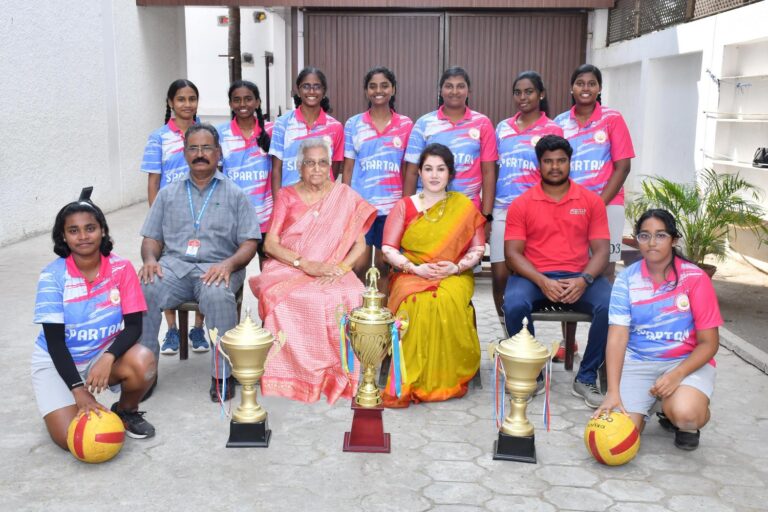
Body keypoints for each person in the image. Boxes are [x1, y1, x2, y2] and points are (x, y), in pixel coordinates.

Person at [139, 124, 261, 401]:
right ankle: (143, 371)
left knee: (218, 295)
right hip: (175, 267)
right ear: (184, 153)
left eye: (207, 148)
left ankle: (223, 376)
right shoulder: (168, 193)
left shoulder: (235, 194)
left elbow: (250, 243)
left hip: (219, 266)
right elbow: (152, 238)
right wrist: (149, 259)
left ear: (218, 153)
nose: (200, 154)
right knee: (146, 287)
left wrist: (229, 265)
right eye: (193, 148)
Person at [250, 137, 376, 404]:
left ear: (330, 165)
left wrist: (341, 269)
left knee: (353, 294)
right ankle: (294, 375)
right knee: (291, 299)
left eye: (322, 163)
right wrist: (305, 264)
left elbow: (360, 245)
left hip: (333, 267)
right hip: (290, 267)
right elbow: (270, 244)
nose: (316, 169)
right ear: (299, 167)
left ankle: (340, 374)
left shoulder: (343, 196)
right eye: (310, 163)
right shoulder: (286, 195)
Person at [32, 191, 157, 448]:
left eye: (90, 228)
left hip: (101, 354)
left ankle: (125, 411)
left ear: (102, 230)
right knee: (73, 441)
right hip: (57, 362)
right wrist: (78, 389)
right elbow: (55, 344)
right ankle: (65, 401)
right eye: (74, 230)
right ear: (63, 236)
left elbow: (134, 327)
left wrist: (108, 357)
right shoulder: (52, 277)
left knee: (144, 361)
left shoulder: (121, 268)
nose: (83, 236)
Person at [594, 209, 722, 451]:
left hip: (684, 363)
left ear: (674, 240)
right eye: (644, 236)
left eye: (660, 235)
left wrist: (676, 375)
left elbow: (709, 343)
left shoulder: (695, 278)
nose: (652, 243)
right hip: (639, 362)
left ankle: (678, 413)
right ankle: (652, 401)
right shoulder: (626, 280)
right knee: (619, 437)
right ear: (637, 239)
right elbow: (618, 336)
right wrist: (612, 392)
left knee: (686, 414)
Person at [503, 134, 611, 408]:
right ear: (538, 165)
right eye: (548, 161)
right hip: (534, 276)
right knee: (514, 303)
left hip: (579, 275)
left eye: (561, 161)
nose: (555, 167)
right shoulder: (522, 203)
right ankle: (531, 373)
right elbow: (513, 254)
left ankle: (585, 377)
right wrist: (541, 280)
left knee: (612, 305)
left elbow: (601, 251)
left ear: (569, 162)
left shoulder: (591, 201)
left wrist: (585, 279)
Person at [381, 143, 486, 407]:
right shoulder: (405, 206)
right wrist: (415, 268)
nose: (435, 175)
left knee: (444, 300)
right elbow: (388, 248)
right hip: (411, 272)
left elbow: (478, 248)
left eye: (441, 169)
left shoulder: (463, 206)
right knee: (416, 302)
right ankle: (411, 378)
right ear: (419, 172)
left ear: (450, 173)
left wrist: (456, 267)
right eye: (428, 169)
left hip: (454, 274)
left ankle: (444, 376)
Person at [140, 79, 207, 355]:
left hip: (202, 216)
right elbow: (153, 183)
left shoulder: (206, 134)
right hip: (171, 219)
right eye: (181, 99)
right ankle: (171, 330)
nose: (187, 104)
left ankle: (199, 328)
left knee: (204, 269)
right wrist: (160, 221)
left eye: (192, 98)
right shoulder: (158, 138)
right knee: (165, 271)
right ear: (170, 103)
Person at [492, 71, 563, 329]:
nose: (523, 97)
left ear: (541, 94)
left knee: (526, 274)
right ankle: (508, 333)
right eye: (518, 92)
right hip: (503, 210)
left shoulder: (552, 128)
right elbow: (495, 169)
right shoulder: (502, 127)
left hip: (538, 212)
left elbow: (557, 173)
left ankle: (526, 337)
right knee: (499, 275)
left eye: (529, 91)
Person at [554, 64, 635, 281]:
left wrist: (598, 204)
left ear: (600, 88)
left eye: (592, 83)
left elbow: (623, 167)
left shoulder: (612, 119)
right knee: (570, 265)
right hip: (569, 205)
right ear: (572, 88)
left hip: (608, 205)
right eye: (580, 83)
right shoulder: (559, 123)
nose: (586, 88)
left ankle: (603, 315)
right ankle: (568, 315)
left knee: (606, 266)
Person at [342, 66, 413, 295]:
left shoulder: (405, 125)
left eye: (384, 85)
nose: (378, 90)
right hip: (361, 209)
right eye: (373, 86)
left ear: (393, 89)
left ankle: (381, 322)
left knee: (384, 266)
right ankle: (356, 318)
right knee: (358, 265)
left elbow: (407, 169)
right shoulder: (353, 124)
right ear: (366, 91)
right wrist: (345, 204)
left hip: (392, 210)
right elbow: (348, 167)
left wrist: (405, 207)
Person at [403, 67, 497, 229]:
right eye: (449, 86)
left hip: (468, 209)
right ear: (440, 90)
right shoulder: (424, 123)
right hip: (427, 208)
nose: (455, 91)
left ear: (468, 90)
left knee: (469, 255)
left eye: (460, 86)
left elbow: (488, 173)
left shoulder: (483, 123)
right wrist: (407, 214)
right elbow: (411, 172)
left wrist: (486, 215)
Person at [217, 80, 273, 266]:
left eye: (248, 99)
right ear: (230, 103)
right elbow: (216, 176)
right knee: (232, 270)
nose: (242, 104)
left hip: (266, 216)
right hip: (233, 218)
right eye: (237, 100)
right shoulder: (220, 134)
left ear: (257, 102)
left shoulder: (272, 131)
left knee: (268, 271)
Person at [269, 67, 344, 199]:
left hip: (322, 203)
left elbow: (334, 169)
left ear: (324, 91)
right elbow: (276, 169)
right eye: (306, 86)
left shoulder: (335, 127)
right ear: (298, 90)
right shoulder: (282, 124)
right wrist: (278, 205)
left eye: (317, 87)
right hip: (290, 203)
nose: (311, 91)